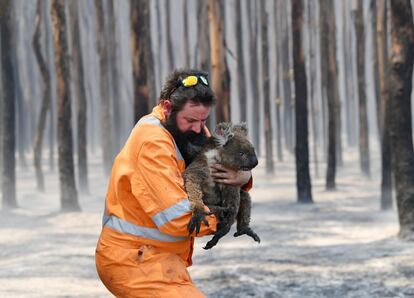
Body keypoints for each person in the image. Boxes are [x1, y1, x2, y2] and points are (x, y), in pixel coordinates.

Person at [95, 69, 253, 297]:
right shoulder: (152, 143)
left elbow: (220, 167)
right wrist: (227, 216)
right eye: (191, 120)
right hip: (133, 261)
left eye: (203, 120)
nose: (200, 128)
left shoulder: (188, 130)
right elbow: (178, 218)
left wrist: (244, 178)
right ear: (168, 108)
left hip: (161, 259)